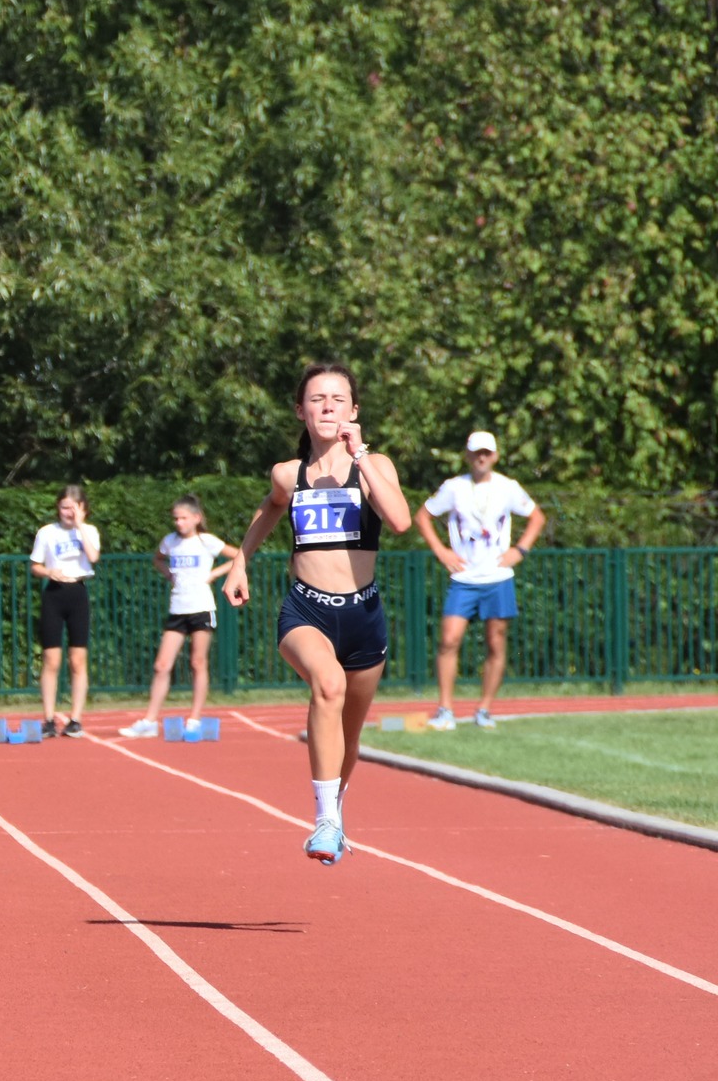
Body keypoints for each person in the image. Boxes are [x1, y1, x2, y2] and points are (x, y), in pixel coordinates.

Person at [224, 363, 411, 864]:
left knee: (349, 738)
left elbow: (398, 521)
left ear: (353, 410)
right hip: (307, 609)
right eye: (317, 399)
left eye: (338, 399)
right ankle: (324, 821)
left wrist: (362, 453)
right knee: (327, 685)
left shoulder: (375, 466)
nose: (328, 406)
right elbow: (270, 508)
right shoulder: (290, 473)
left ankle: (335, 807)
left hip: (364, 616)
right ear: (301, 411)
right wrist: (241, 562)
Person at [416, 431, 545, 730]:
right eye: (476, 453)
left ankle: (484, 709)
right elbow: (422, 516)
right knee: (449, 638)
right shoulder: (454, 487)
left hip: (498, 576)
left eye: (487, 452)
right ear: (468, 456)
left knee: (496, 642)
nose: (482, 458)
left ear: (495, 456)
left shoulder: (507, 487)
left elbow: (537, 517)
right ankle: (446, 709)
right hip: (464, 576)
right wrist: (440, 550)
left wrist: (520, 549)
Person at [120, 496, 240, 738]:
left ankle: (194, 718)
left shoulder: (206, 541)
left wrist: (214, 574)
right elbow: (157, 559)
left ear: (196, 518)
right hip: (178, 607)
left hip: (201, 607)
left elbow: (239, 555)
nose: (179, 523)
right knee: (162, 665)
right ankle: (150, 720)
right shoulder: (170, 542)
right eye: (176, 518)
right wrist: (168, 574)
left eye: (184, 518)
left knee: (198, 662)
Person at [29, 485, 101, 737]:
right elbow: (35, 565)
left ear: (82, 508)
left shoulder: (89, 531)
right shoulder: (47, 532)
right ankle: (48, 718)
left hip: (77, 593)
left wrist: (80, 525)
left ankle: (76, 718)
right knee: (51, 659)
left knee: (77, 660)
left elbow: (93, 556)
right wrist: (49, 572)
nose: (67, 512)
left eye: (73, 507)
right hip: (54, 594)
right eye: (63, 507)